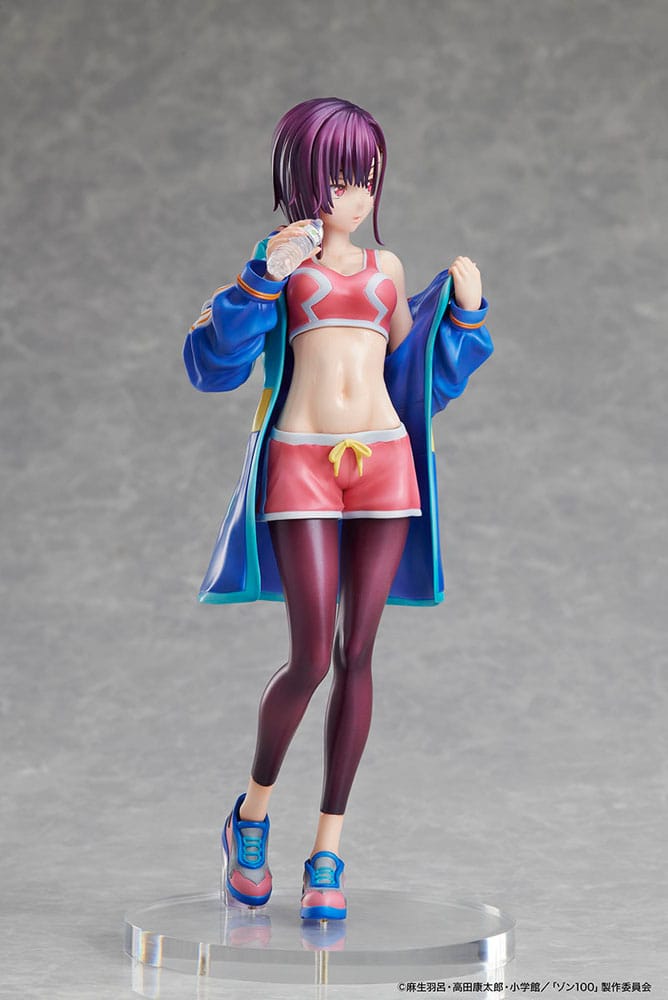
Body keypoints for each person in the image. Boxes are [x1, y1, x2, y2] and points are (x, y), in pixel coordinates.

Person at [184, 97, 493, 920]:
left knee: (359, 654)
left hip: (384, 461)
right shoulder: (282, 260)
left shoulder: (387, 268)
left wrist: (465, 314)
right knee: (310, 658)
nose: (353, 197)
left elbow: (415, 375)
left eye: (367, 179)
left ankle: (328, 850)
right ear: (303, 179)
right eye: (338, 179)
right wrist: (261, 278)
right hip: (303, 463)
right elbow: (214, 362)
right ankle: (252, 815)